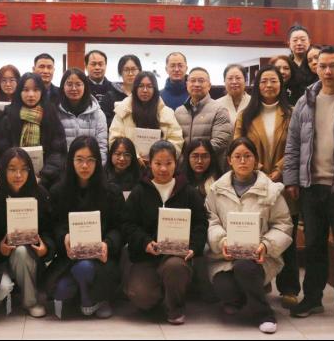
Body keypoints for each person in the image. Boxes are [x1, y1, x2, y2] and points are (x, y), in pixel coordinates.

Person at [284, 46, 334, 327]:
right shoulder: (306, 101)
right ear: (316, 68)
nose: (328, 71)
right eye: (323, 66)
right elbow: (293, 144)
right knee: (314, 246)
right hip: (311, 186)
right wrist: (291, 179)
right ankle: (313, 299)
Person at [206, 137, 292, 334]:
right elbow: (211, 221)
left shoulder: (271, 190)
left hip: (260, 258)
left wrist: (266, 246)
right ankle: (240, 297)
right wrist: (222, 241)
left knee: (244, 266)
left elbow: (283, 224)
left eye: (248, 156)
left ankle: (264, 314)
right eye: (237, 156)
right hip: (226, 257)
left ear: (256, 160)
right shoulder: (216, 190)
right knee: (223, 287)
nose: (243, 161)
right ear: (229, 160)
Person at [234, 65, 299, 308]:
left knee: (285, 234)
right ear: (257, 85)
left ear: (281, 84)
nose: (269, 85)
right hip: (253, 179)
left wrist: (278, 170)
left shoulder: (292, 113)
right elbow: (238, 144)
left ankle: (289, 288)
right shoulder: (246, 114)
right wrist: (258, 168)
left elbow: (297, 144)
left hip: (285, 181)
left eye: (273, 81)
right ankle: (260, 280)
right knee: (257, 232)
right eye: (264, 81)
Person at [122, 140, 207, 325]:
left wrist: (194, 247)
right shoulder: (139, 191)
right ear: (150, 163)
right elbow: (128, 224)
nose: (163, 169)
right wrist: (145, 242)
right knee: (141, 296)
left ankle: (175, 307)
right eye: (158, 163)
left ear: (176, 164)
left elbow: (201, 223)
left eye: (168, 163)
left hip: (176, 256)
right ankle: (162, 295)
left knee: (175, 268)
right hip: (146, 257)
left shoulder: (188, 191)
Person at [45, 137, 125, 319]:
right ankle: (83, 292)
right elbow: (53, 225)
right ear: (71, 161)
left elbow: (119, 227)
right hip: (70, 258)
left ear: (97, 161)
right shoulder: (58, 191)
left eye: (90, 160)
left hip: (101, 258)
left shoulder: (111, 192)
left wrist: (108, 243)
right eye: (79, 159)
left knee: (85, 268)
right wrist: (64, 237)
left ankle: (94, 299)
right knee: (61, 290)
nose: (84, 165)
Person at [0, 148, 55, 318]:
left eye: (24, 169)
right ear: (3, 170)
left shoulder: (40, 194)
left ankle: (30, 302)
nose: (18, 175)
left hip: (28, 256)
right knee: (0, 291)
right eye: (12, 169)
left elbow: (49, 229)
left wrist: (45, 248)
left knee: (21, 252)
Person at [0, 72, 66, 189]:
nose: (31, 94)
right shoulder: (9, 116)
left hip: (46, 180)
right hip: (13, 179)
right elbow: (1, 150)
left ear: (42, 92)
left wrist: (43, 176)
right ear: (19, 92)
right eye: (26, 90)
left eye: (36, 90)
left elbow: (58, 151)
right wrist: (15, 173)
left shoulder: (50, 114)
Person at [109, 71, 184, 163]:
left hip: (160, 165)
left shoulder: (167, 113)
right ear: (135, 88)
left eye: (149, 86)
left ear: (155, 89)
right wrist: (135, 157)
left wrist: (160, 158)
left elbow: (176, 140)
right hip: (129, 164)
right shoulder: (123, 110)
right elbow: (115, 140)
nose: (145, 90)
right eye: (141, 86)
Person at [174, 67, 232, 165]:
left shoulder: (220, 110)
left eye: (201, 81)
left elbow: (220, 142)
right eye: (193, 81)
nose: (196, 84)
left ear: (209, 86)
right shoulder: (179, 112)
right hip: (183, 168)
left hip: (210, 167)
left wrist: (195, 158)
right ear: (187, 84)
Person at [57, 68, 108, 165]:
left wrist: (97, 168)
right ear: (63, 87)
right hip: (63, 168)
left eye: (78, 84)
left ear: (85, 86)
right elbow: (53, 149)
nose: (74, 88)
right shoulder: (55, 112)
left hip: (90, 167)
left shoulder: (98, 114)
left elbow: (102, 147)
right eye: (69, 84)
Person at [100, 54, 141, 127]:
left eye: (133, 69)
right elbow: (104, 121)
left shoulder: (144, 94)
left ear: (140, 71)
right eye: (126, 70)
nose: (130, 73)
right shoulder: (110, 96)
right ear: (120, 72)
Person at [216, 64, 251, 129]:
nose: (234, 82)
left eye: (238, 78)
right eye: (230, 78)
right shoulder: (216, 104)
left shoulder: (254, 102)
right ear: (224, 81)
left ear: (245, 80)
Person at [286, 25, 316, 90]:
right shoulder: (286, 64)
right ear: (289, 43)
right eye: (295, 40)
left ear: (309, 42)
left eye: (303, 40)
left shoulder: (317, 62)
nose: (299, 43)